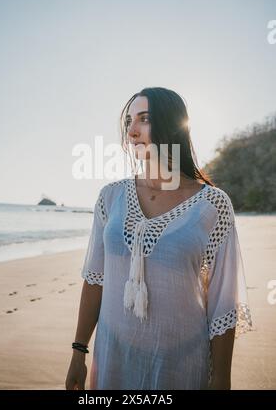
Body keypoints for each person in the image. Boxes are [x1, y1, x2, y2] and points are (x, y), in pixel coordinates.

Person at [65, 87, 252, 390]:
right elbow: (95, 281)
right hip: (112, 359)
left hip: (181, 368)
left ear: (171, 125)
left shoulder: (212, 205)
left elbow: (223, 303)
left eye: (145, 119)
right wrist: (78, 351)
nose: (132, 131)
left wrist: (220, 378)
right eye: (128, 121)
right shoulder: (110, 198)